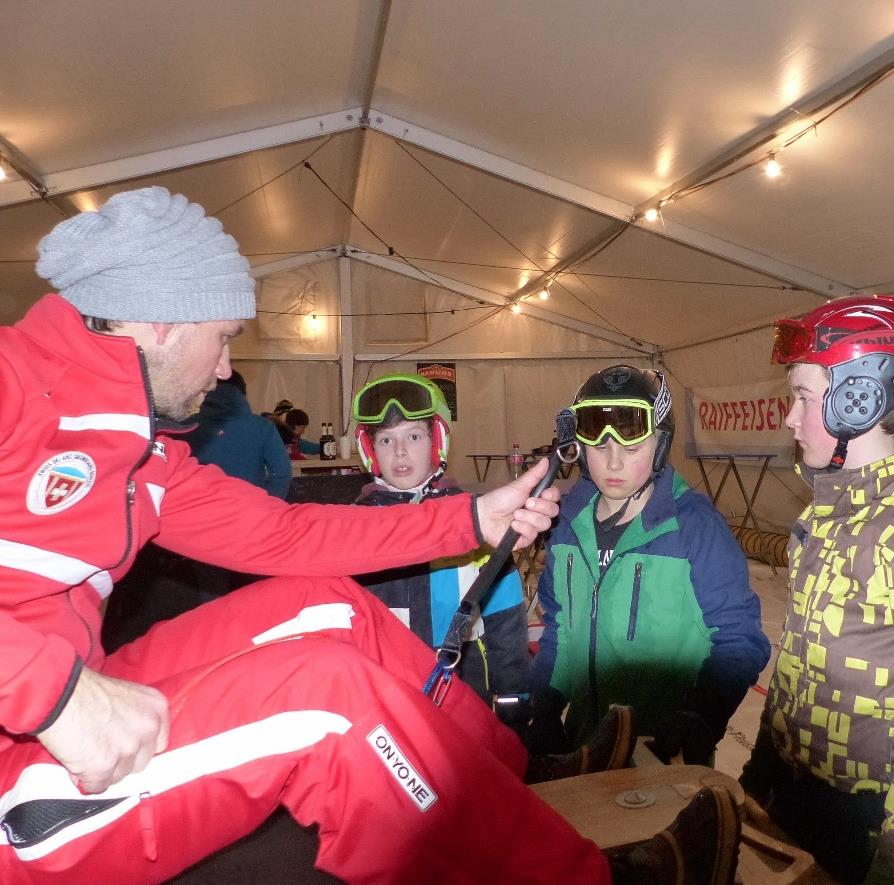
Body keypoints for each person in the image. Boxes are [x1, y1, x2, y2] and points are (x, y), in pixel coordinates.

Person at [0, 186, 741, 885]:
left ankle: (507, 774)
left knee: (331, 605)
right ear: (162, 321)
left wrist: (469, 519)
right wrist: (55, 695)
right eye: (223, 338)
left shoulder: (142, 453)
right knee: (328, 700)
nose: (227, 367)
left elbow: (285, 535)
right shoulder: (12, 382)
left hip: (63, 695)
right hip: (23, 765)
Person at [739, 296, 894, 885]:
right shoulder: (834, 512)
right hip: (805, 803)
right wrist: (761, 774)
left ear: (859, 400)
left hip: (884, 827)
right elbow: (799, 661)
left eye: (803, 397)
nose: (789, 419)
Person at [528, 364, 771, 764]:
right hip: (584, 745)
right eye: (600, 448)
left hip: (661, 754)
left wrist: (699, 717)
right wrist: (544, 703)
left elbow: (739, 638)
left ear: (660, 445)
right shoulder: (568, 523)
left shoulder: (694, 527)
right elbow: (559, 629)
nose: (614, 463)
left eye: (631, 448)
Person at [350, 372, 530, 724]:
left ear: (437, 442)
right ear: (369, 449)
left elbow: (506, 618)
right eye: (386, 441)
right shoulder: (354, 527)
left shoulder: (476, 520)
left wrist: (513, 697)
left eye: (414, 436)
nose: (400, 452)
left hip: (466, 691)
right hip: (385, 697)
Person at [189, 370, 292, 498]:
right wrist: (268, 504)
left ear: (207, 391)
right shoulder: (263, 427)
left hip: (201, 509)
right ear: (243, 394)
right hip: (250, 510)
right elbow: (282, 472)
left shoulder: (187, 426)